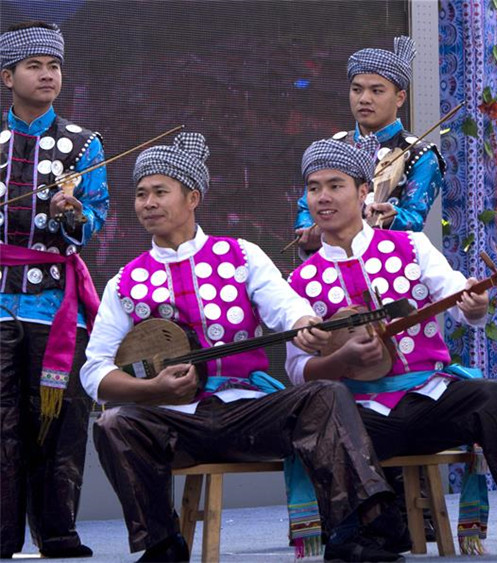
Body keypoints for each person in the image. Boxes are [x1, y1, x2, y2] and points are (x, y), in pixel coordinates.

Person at [81, 132, 405, 563]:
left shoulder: (240, 255)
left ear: (192, 196)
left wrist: (305, 324)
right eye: (141, 195)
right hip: (178, 426)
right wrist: (152, 390)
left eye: (160, 192)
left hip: (248, 412)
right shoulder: (125, 280)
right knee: (113, 424)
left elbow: (288, 307)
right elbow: (94, 372)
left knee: (325, 395)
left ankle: (351, 533)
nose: (147, 203)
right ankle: (161, 543)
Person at [285, 136, 497, 562]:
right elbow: (298, 371)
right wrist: (339, 361)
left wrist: (474, 304)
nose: (323, 197)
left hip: (428, 397)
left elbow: (461, 302)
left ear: (363, 190)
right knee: (327, 423)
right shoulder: (300, 282)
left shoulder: (410, 247)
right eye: (314, 188)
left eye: (336, 185)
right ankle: (362, 537)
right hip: (362, 415)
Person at [0, 21, 109, 559]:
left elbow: (96, 220)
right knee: (1, 423)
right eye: (35, 66)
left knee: (58, 419)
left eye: (55, 66)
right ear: (8, 76)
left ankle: (59, 534)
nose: (47, 75)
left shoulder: (84, 144)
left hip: (54, 305)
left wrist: (74, 215)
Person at [294, 35, 444, 253]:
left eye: (377, 91)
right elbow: (306, 205)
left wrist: (394, 216)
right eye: (357, 90)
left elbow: (415, 217)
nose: (364, 99)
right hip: (332, 263)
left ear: (400, 97)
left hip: (390, 266)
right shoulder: (335, 146)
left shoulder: (421, 154)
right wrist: (308, 229)